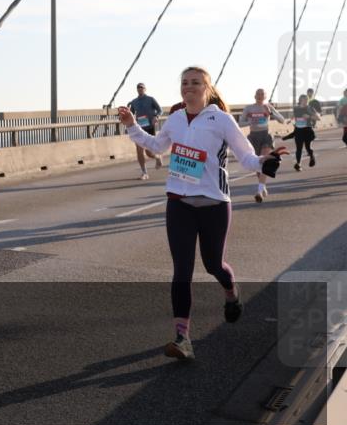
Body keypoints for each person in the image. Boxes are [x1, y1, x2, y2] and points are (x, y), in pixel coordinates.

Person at [117, 66, 286, 361]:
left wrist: (263, 162)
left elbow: (245, 155)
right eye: (185, 82)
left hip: (214, 204)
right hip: (179, 203)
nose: (189, 87)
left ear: (207, 88)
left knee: (213, 264)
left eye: (195, 82)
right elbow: (157, 146)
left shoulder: (220, 119)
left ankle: (231, 292)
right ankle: (182, 338)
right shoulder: (175, 119)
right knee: (181, 271)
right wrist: (132, 125)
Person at [238, 89, 286, 203]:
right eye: (258, 94)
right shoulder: (248, 108)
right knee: (258, 164)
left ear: (265, 96)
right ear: (254, 96)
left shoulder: (268, 107)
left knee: (265, 161)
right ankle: (262, 186)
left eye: (262, 94)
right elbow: (240, 123)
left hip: (265, 135)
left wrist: (271, 113)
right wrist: (250, 122)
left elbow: (282, 120)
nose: (260, 96)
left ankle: (259, 191)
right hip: (253, 137)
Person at [127, 83, 163, 180]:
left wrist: (156, 117)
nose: (140, 89)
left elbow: (160, 110)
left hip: (150, 127)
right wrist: (126, 113)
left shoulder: (150, 99)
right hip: (139, 129)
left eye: (142, 87)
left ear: (145, 89)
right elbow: (131, 114)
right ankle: (144, 173)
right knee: (139, 150)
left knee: (149, 153)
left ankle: (157, 157)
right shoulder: (134, 102)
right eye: (138, 87)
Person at [290, 94, 321, 170]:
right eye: (304, 100)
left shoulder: (310, 108)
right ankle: (298, 164)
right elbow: (294, 116)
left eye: (306, 100)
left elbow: (318, 118)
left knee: (308, 147)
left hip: (307, 130)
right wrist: (291, 120)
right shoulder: (296, 108)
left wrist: (309, 117)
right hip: (298, 130)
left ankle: (312, 157)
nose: (305, 101)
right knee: (299, 148)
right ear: (300, 100)